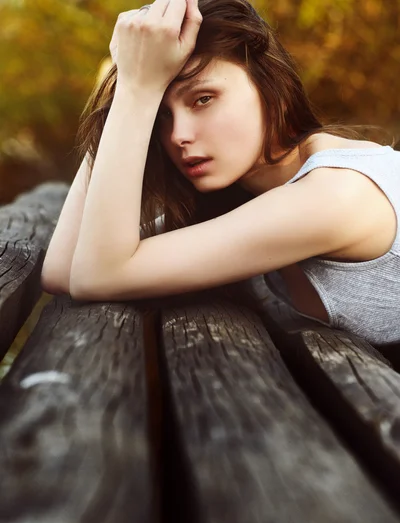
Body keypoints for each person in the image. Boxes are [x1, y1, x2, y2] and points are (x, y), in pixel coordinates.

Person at [41, 0, 400, 346]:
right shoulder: (246, 192)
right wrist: (129, 94)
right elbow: (65, 270)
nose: (178, 135)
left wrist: (137, 91)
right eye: (161, 114)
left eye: (203, 99)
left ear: (273, 89)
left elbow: (98, 276)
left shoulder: (335, 193)